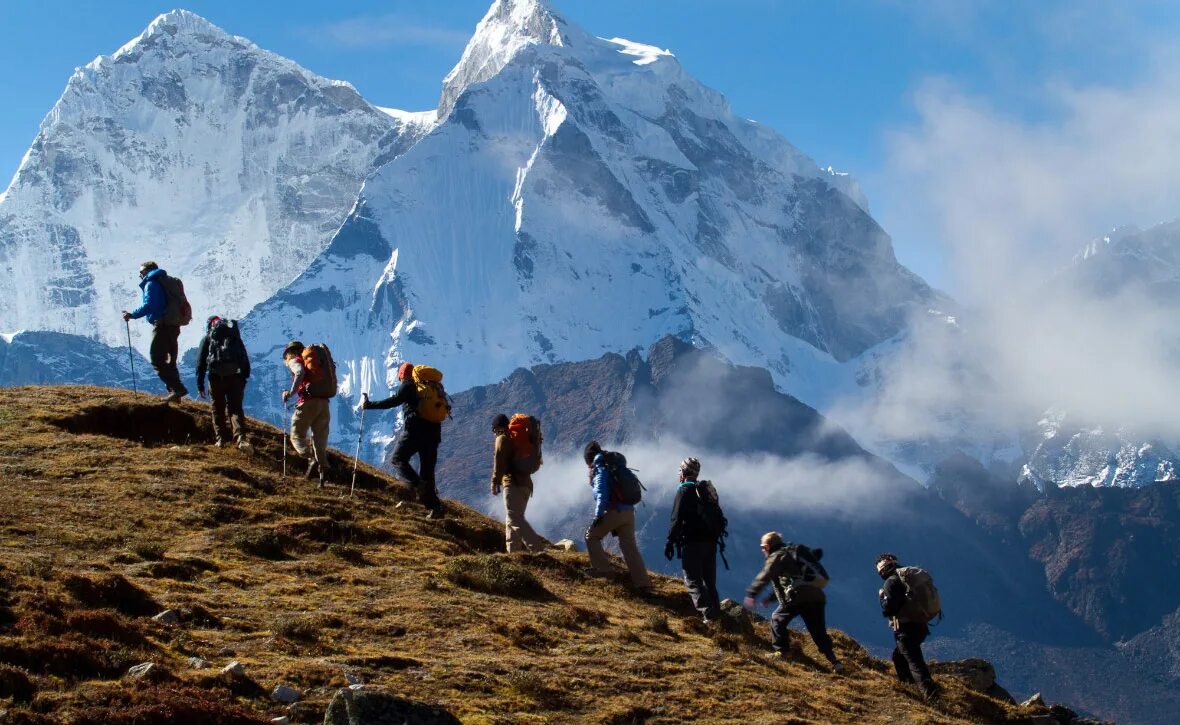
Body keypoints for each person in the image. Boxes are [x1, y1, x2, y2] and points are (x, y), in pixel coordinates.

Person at [744, 532, 843, 673]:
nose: (761, 550)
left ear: (767, 546)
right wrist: (771, 598)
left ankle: (782, 651)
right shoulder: (793, 552)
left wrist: (752, 593)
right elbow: (789, 581)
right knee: (818, 630)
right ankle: (835, 662)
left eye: (762, 546)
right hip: (816, 594)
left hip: (798, 595)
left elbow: (766, 575)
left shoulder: (777, 555)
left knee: (777, 618)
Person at [363, 362, 444, 519]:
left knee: (398, 459)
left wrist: (369, 405)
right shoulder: (430, 387)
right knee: (427, 469)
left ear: (401, 375)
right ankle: (435, 507)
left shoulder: (407, 385)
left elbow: (394, 401)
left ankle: (419, 488)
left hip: (415, 431)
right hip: (434, 432)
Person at [583, 440, 652, 593]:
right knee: (629, 547)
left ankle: (603, 571)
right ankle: (643, 584)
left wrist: (598, 516)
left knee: (591, 536)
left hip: (615, 510)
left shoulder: (600, 468)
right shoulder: (614, 464)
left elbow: (601, 494)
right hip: (629, 512)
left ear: (589, 459)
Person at [664, 457, 722, 622]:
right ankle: (717, 614)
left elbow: (676, 519)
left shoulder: (684, 491)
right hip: (711, 542)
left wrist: (670, 541)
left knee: (692, 579)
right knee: (709, 581)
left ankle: (707, 612)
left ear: (682, 472)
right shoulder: (704, 491)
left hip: (692, 542)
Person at [121, 261, 187, 402]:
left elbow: (149, 305)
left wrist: (132, 315)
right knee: (170, 360)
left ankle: (177, 389)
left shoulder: (151, 283)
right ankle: (175, 396)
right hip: (174, 325)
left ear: (147, 271)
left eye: (141, 272)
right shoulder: (166, 281)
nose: (140, 275)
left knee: (157, 358)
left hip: (162, 325)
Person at [877, 553, 940, 700]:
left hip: (906, 629)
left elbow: (890, 609)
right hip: (920, 626)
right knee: (899, 657)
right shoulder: (906, 577)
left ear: (882, 570)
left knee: (915, 663)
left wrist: (882, 599)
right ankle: (909, 688)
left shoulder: (891, 582)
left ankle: (931, 696)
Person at [490, 414, 548, 552]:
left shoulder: (502, 438)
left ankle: (538, 550)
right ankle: (513, 554)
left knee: (514, 518)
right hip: (526, 486)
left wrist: (494, 481)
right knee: (511, 519)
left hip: (513, 484)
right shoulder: (517, 439)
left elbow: (499, 462)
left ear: (497, 428)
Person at [195, 316, 252, 452]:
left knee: (217, 408)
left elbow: (200, 363)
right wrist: (243, 378)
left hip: (215, 379)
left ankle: (221, 439)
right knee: (235, 408)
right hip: (235, 377)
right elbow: (244, 359)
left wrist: (200, 385)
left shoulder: (208, 339)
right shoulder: (234, 337)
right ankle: (240, 438)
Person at [281, 341, 330, 485]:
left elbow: (299, 372)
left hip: (308, 403)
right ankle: (322, 475)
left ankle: (311, 458)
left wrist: (290, 393)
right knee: (319, 442)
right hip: (324, 404)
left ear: (289, 353)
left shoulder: (295, 360)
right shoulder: (315, 364)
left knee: (296, 436)